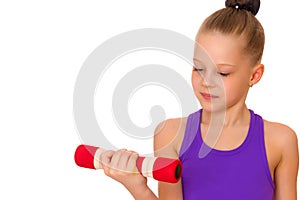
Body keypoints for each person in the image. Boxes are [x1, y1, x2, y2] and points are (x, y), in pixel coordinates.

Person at [99, 0, 299, 199]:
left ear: (254, 76)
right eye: (199, 68)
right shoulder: (171, 134)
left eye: (222, 73)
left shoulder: (280, 140)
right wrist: (137, 187)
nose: (206, 81)